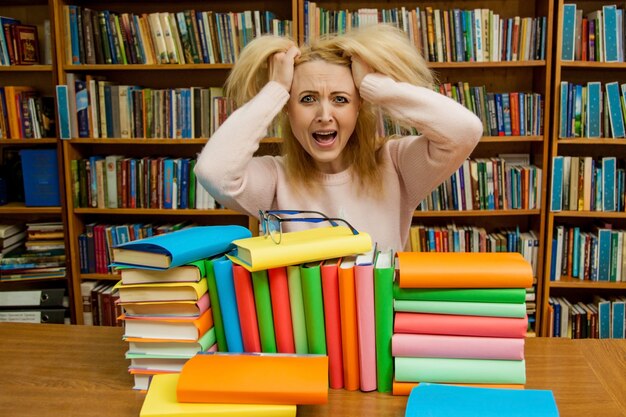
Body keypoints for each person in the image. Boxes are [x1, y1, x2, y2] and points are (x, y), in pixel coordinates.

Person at [194, 24, 483, 252]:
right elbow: (212, 172)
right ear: (287, 110)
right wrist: (276, 89)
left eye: (340, 99)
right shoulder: (274, 178)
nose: (324, 114)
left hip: (379, 326)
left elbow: (464, 131)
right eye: (307, 99)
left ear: (359, 107)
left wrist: (375, 87)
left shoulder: (395, 165)